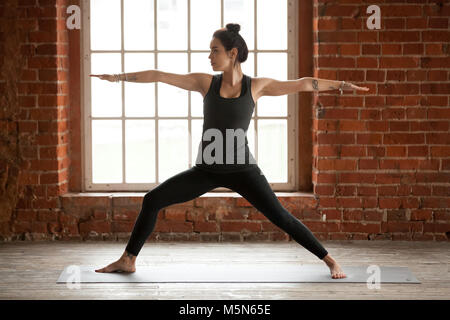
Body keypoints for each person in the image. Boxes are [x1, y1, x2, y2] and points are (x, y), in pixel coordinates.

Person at [90, 23, 369, 279]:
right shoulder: (205, 83)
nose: (210, 56)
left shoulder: (256, 86)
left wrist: (342, 86)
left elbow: (305, 84)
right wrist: (117, 77)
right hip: (206, 171)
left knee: (281, 217)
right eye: (210, 51)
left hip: (243, 171)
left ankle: (331, 261)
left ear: (232, 53)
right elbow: (160, 75)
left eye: (215, 50)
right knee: (152, 200)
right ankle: (128, 260)